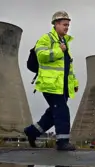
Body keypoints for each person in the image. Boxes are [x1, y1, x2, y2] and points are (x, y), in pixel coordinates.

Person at [24, 11, 79, 151]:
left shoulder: (65, 41)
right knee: (62, 111)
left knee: (52, 114)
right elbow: (41, 56)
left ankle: (32, 132)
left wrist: (74, 83)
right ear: (56, 24)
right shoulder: (46, 39)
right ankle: (62, 142)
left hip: (62, 86)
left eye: (68, 25)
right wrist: (59, 51)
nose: (67, 27)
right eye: (64, 24)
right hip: (50, 84)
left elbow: (68, 66)